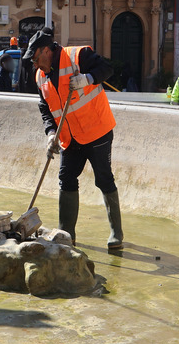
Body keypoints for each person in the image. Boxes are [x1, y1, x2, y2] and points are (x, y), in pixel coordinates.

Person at [23, 26, 124, 250]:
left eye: (36, 59)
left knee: (104, 179)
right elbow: (45, 108)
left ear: (46, 51)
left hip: (97, 131)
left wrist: (88, 78)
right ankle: (66, 235)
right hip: (70, 138)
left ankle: (116, 234)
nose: (35, 65)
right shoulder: (40, 76)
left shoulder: (78, 56)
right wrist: (50, 134)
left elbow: (107, 69)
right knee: (66, 179)